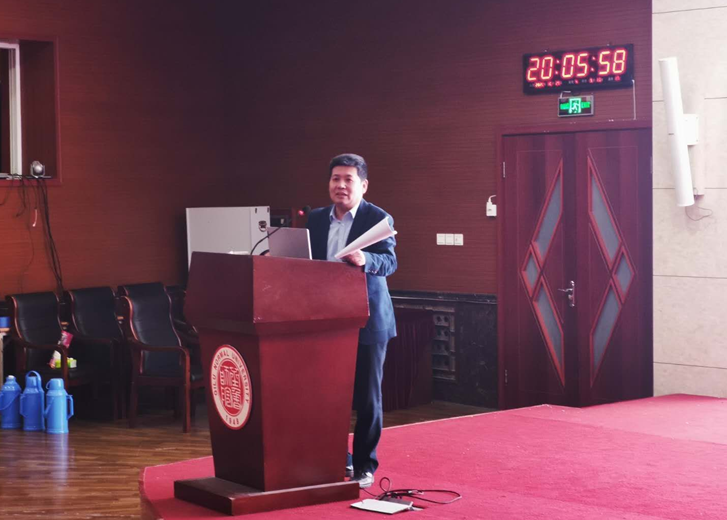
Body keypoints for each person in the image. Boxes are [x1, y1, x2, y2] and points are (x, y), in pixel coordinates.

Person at [306, 153, 397, 489]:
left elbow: (390, 262)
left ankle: (364, 465)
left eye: (348, 179)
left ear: (363, 185)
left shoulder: (378, 218)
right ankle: (336, 456)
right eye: (335, 179)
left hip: (367, 320)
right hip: (324, 319)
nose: (341, 185)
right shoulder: (316, 218)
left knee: (368, 397)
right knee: (326, 394)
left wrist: (365, 258)